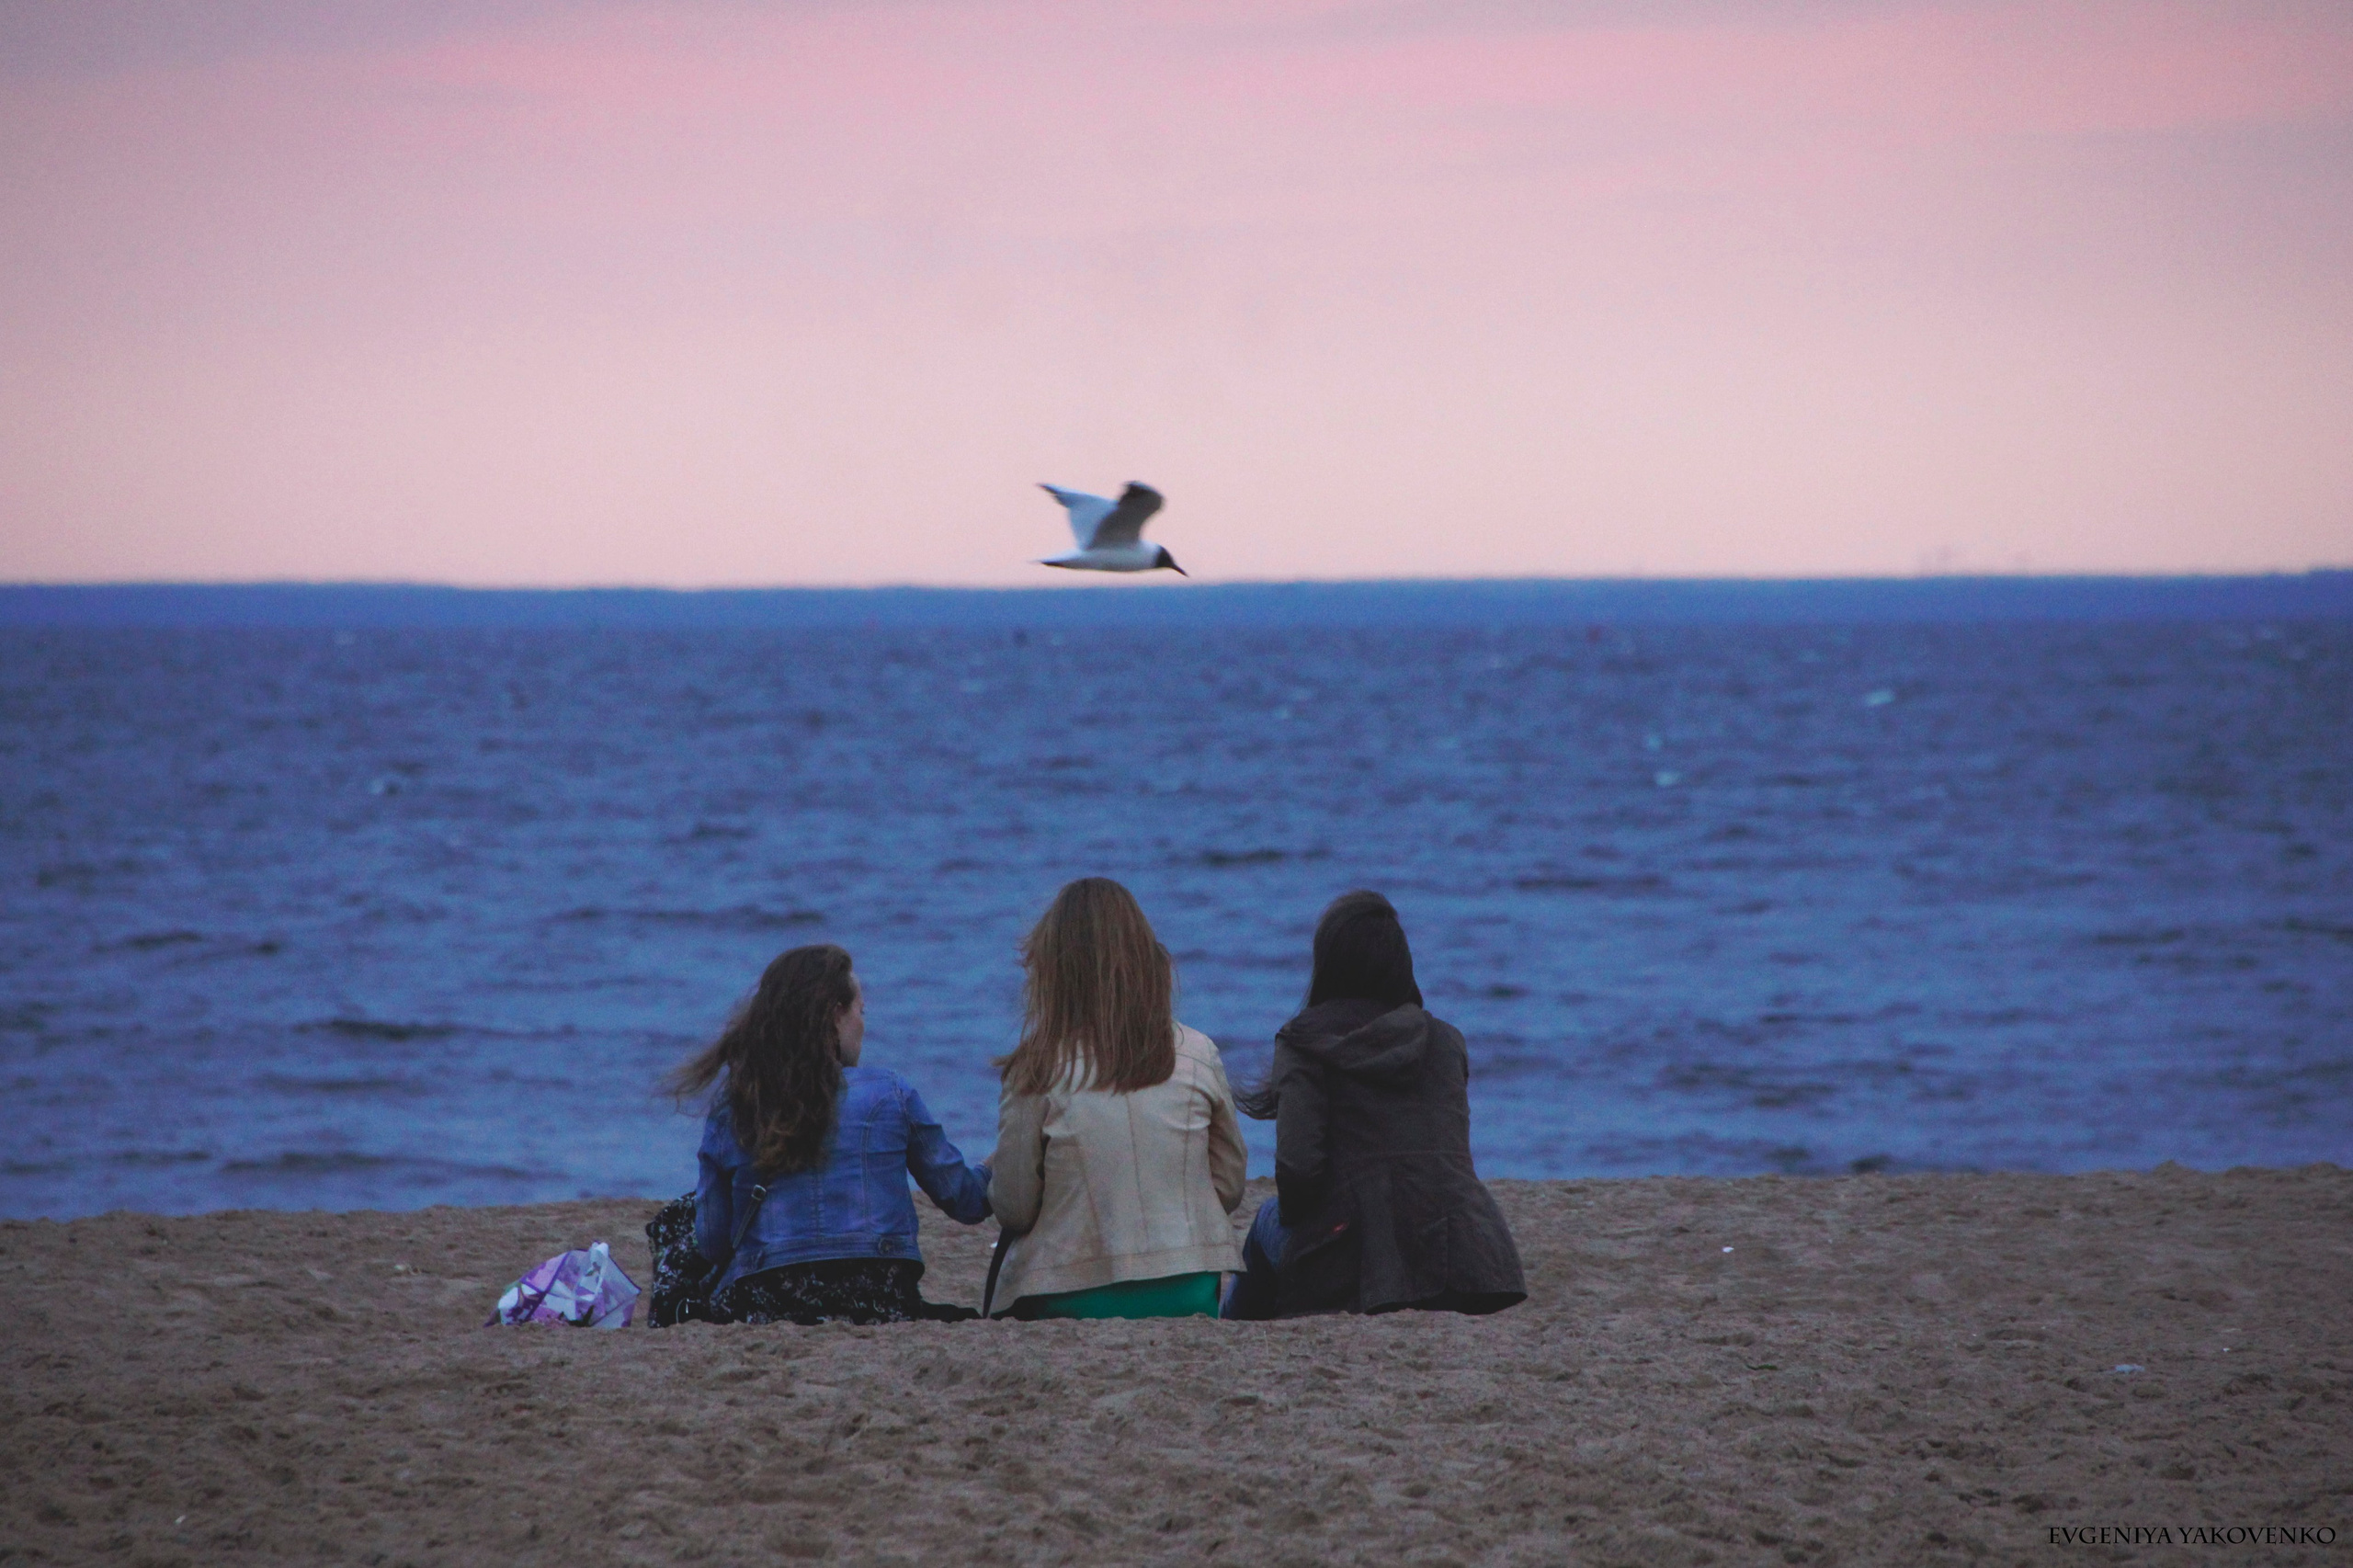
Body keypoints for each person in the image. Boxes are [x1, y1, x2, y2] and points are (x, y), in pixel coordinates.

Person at [648, 943, 993, 1325]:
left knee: (681, 1218)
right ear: (835, 1015)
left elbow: (713, 1241)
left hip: (768, 1301)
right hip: (880, 1297)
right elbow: (967, 1202)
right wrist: (1001, 1162)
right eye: (861, 1011)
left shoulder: (737, 1105)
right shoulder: (891, 1093)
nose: (863, 1024)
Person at [1222, 891, 1526, 1320]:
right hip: (1464, 1256)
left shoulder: (1304, 1041)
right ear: (1401, 964)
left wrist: (1310, 1222)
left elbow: (1299, 1171)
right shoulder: (1445, 1041)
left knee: (1267, 1222)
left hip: (1359, 1264)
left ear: (1327, 965)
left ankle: (1229, 1335)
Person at [985, 878, 1247, 1319]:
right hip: (1187, 1289)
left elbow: (1014, 1208)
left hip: (1074, 1291)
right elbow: (1228, 1185)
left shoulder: (1038, 1067)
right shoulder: (1199, 1052)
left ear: (1054, 971)